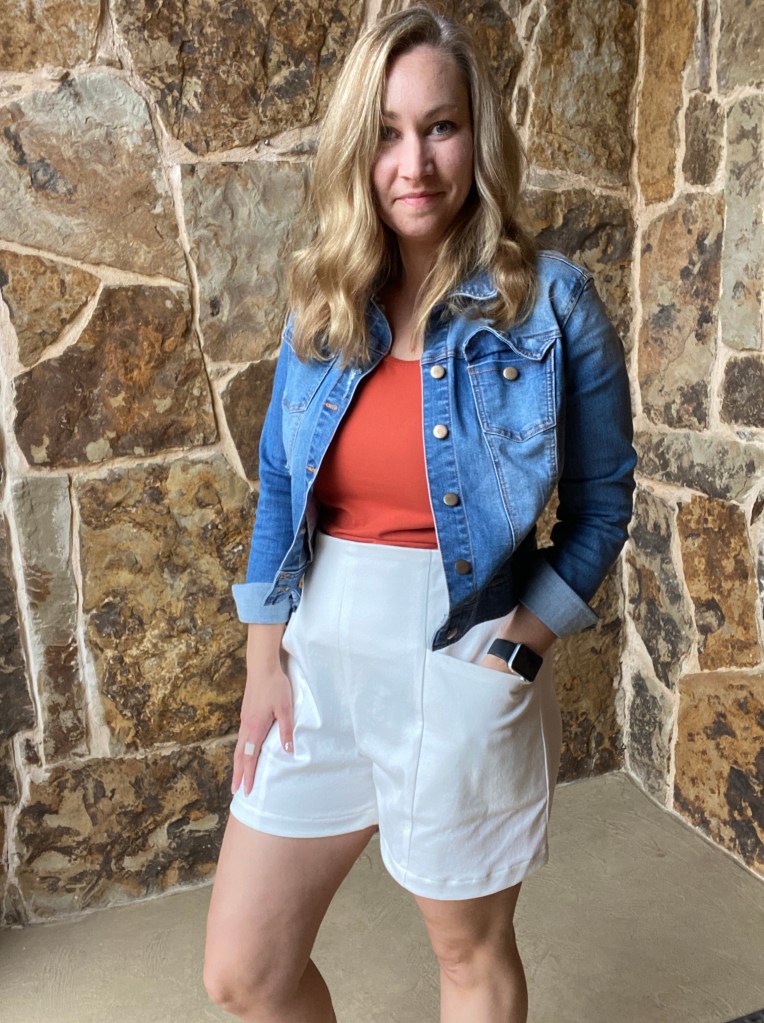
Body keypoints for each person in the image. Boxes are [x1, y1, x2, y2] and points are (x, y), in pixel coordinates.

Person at [203, 6, 636, 1022]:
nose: (415, 163)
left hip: (463, 648)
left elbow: (602, 502)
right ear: (357, 149)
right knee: (244, 972)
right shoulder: (322, 305)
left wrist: (518, 650)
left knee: (466, 954)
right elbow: (280, 486)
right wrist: (264, 663)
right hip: (319, 654)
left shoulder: (551, 304)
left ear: (476, 137)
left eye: (440, 127)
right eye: (388, 133)